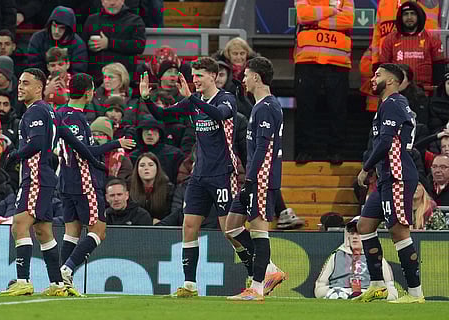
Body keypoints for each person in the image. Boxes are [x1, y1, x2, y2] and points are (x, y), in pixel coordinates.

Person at [140, 56, 238, 297]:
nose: (195, 80)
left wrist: (191, 98)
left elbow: (219, 115)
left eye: (200, 76)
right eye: (193, 76)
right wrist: (146, 99)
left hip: (222, 174)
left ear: (213, 76)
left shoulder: (227, 99)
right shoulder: (194, 102)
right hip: (199, 175)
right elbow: (163, 116)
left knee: (230, 231)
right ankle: (190, 284)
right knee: (189, 225)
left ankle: (259, 273)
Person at [56, 73, 136, 296]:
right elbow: (86, 152)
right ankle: (66, 270)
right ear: (90, 92)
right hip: (83, 182)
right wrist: (115, 143)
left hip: (65, 181)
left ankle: (62, 283)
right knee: (99, 231)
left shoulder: (60, 113)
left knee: (72, 230)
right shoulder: (76, 118)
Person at [356, 63, 424, 303]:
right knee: (364, 226)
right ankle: (377, 285)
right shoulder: (386, 105)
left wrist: (366, 169)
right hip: (386, 175)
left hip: (397, 174)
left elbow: (386, 142)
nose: (373, 79)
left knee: (398, 231)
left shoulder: (395, 103)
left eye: (378, 75)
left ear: (393, 81)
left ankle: (415, 293)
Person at [0, 68, 69, 296]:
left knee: (19, 224)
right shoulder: (48, 111)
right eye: (19, 82)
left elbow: (37, 143)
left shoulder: (35, 111)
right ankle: (58, 284)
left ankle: (23, 280)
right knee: (43, 230)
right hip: (45, 176)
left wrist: (14, 155)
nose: (20, 86)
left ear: (39, 88)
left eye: (26, 83)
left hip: (36, 176)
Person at [225, 57, 284, 301]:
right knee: (231, 228)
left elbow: (263, 146)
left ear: (257, 78)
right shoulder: (260, 106)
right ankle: (270, 270)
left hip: (261, 178)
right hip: (254, 177)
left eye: (247, 75)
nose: (244, 80)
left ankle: (257, 288)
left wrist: (250, 179)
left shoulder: (267, 107)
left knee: (260, 232)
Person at [294, 0, 354, 165]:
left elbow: (347, 20)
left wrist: (316, 20)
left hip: (338, 62)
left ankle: (335, 151)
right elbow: (303, 15)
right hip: (307, 60)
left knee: (338, 109)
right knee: (305, 108)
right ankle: (305, 150)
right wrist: (332, 11)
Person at [315, 216, 397, 300]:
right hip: (339, 294)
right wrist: (333, 291)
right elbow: (320, 286)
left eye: (358, 233)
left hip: (367, 294)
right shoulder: (336, 256)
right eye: (352, 233)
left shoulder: (376, 258)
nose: (354, 236)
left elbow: (391, 289)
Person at [378, 1, 445, 93]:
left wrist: (437, 93)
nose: (409, 17)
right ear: (400, 18)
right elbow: (383, 68)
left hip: (425, 93)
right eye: (406, 14)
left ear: (419, 16)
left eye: (413, 14)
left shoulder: (431, 38)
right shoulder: (391, 39)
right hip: (397, 92)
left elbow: (439, 69)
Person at [82, 0, 146, 85]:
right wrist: (89, 46)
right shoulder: (92, 20)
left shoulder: (135, 20)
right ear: (102, 1)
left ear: (123, 1)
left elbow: (139, 45)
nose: (112, 3)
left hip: (125, 81)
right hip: (96, 81)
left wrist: (109, 43)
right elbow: (82, 48)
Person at [26, 6, 88, 75]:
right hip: (41, 82)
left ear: (68, 29)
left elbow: (78, 72)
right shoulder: (37, 38)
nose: (56, 31)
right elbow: (34, 66)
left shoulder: (78, 44)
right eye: (54, 26)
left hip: (69, 83)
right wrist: (46, 83)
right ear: (50, 25)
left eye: (61, 28)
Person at [129, 116, 184, 184]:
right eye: (146, 129)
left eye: (154, 129)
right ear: (140, 133)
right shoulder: (132, 157)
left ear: (160, 133)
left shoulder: (175, 155)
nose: (149, 133)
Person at [130, 152, 174, 224]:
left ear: (157, 168)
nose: (146, 168)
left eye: (150, 165)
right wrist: (150, 220)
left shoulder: (169, 189)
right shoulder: (129, 188)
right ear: (137, 170)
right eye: (142, 165)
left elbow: (171, 214)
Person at [90, 115, 134, 186]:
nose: (97, 138)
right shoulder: (86, 154)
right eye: (93, 135)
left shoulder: (121, 158)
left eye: (101, 135)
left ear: (109, 138)